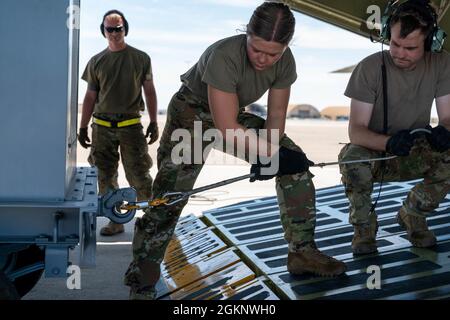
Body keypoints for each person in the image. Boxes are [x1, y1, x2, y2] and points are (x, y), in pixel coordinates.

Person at [124, 2, 347, 300]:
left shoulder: (285, 61)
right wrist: (269, 155)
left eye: (274, 53)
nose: (265, 59)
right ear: (247, 35)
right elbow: (226, 125)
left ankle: (302, 252)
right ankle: (142, 280)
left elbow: (277, 115)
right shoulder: (224, 55)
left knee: (295, 164)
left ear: (285, 47)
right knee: (170, 197)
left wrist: (272, 154)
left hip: (231, 113)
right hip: (191, 114)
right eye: (257, 50)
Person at [339, 0, 450, 255]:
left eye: (410, 48)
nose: (399, 53)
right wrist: (388, 142)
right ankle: (364, 229)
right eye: (395, 44)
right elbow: (357, 131)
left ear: (430, 42)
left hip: (415, 151)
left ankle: (412, 214)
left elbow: (448, 118)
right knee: (351, 159)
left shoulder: (442, 63)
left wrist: (445, 132)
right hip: (378, 153)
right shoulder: (369, 68)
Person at [78, 10, 159, 236]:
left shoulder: (141, 58)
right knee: (104, 174)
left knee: (139, 173)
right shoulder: (96, 61)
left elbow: (150, 91)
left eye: (118, 28)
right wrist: (83, 126)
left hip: (131, 126)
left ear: (125, 29)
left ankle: (154, 220)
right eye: (109, 29)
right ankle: (115, 221)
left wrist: (154, 121)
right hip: (102, 127)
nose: (114, 33)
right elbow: (90, 96)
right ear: (103, 31)